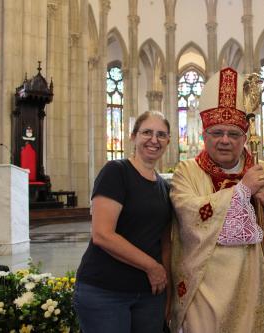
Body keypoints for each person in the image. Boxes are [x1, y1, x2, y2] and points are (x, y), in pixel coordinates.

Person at [169, 67, 264, 333]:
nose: (225, 141)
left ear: (245, 137)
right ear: (203, 134)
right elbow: (190, 217)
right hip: (204, 291)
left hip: (253, 288)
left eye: (233, 134)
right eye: (216, 133)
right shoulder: (186, 172)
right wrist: (242, 191)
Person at [73, 111, 173, 333]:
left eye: (161, 135)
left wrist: (168, 291)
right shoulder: (116, 172)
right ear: (133, 136)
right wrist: (152, 267)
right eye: (147, 132)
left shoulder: (166, 188)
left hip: (150, 295)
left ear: (168, 141)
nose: (154, 140)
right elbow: (102, 234)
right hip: (105, 291)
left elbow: (166, 243)